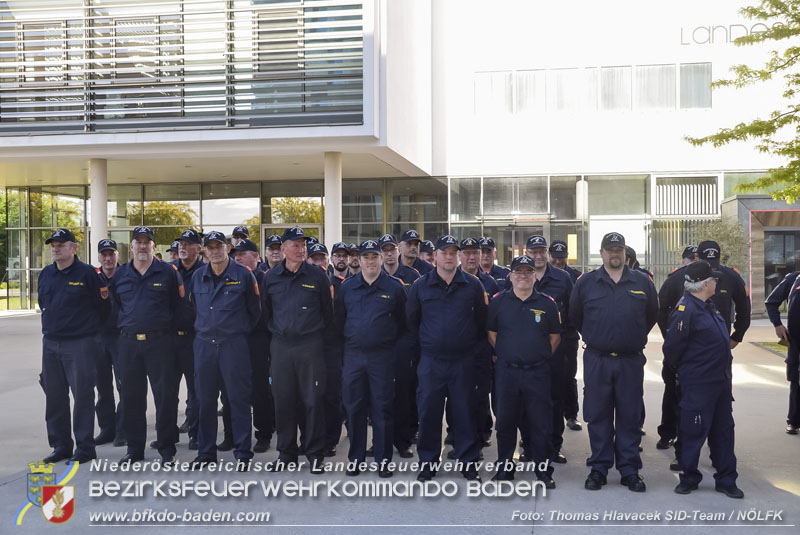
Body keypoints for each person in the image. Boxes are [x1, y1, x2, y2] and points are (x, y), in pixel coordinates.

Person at [569, 232, 657, 492]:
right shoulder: (586, 283)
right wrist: (599, 338)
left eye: (619, 249)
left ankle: (630, 470)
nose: (615, 254)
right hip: (598, 360)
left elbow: (651, 315)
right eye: (610, 250)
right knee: (598, 415)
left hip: (630, 361)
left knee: (629, 416)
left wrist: (632, 337)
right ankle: (599, 468)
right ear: (602, 253)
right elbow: (576, 317)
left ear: (625, 253)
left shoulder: (643, 282)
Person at [657, 239, 751, 470]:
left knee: (719, 410)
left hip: (717, 358)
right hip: (688, 360)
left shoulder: (729, 277)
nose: (713, 274)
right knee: (681, 403)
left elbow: (744, 306)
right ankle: (678, 447)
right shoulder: (680, 277)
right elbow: (660, 309)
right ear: (697, 258)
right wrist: (671, 337)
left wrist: (736, 336)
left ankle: (717, 455)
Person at [406, 234, 488, 482]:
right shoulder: (420, 286)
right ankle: (428, 462)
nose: (450, 257)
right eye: (445, 252)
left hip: (463, 361)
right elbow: (412, 324)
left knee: (464, 413)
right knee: (428, 413)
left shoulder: (473, 285)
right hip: (431, 362)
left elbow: (481, 323)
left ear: (459, 256)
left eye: (454, 253)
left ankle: (468, 461)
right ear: (435, 257)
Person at [111, 225, 186, 464]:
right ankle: (134, 450)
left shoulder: (168, 272)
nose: (143, 246)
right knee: (132, 399)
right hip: (129, 344)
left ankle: (166, 450)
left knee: (165, 398)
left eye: (147, 242)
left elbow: (179, 307)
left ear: (154, 246)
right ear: (131, 246)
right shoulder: (121, 274)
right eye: (138, 242)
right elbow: (114, 308)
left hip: (160, 343)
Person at [261, 226, 334, 474]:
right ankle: (286, 453)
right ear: (283, 249)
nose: (301, 249)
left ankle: (314, 454)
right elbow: (266, 313)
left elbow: (328, 313)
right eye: (295, 244)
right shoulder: (270, 277)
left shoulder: (317, 276)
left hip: (310, 347)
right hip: (281, 347)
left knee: (313, 400)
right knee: (283, 401)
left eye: (303, 244)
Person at [188, 231, 260, 469]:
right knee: (205, 401)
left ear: (228, 248)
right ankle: (206, 452)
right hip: (204, 346)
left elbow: (255, 312)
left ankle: (242, 453)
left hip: (233, 345)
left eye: (219, 246)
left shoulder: (244, 276)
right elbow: (192, 310)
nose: (215, 251)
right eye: (210, 247)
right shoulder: (198, 277)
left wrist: (235, 332)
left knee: (238, 401)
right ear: (204, 251)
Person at [335, 239, 406, 477]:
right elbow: (338, 322)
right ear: (360, 261)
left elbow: (403, 325)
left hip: (382, 358)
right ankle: (355, 458)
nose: (371, 261)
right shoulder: (347, 287)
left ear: (381, 258)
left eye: (375, 256)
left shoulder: (395, 287)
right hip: (353, 356)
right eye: (366, 257)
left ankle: (383, 460)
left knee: (382, 409)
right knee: (354, 409)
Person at [38, 228, 110, 463]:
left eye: (60, 244)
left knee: (82, 397)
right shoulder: (46, 274)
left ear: (73, 247)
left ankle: (85, 448)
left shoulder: (88, 274)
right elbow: (44, 303)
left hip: (80, 344)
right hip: (51, 343)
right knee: (55, 397)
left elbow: (104, 308)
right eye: (53, 245)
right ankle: (60, 446)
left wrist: (92, 337)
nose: (55, 248)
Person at [488, 255, 560, 488]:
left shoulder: (547, 303)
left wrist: (535, 356)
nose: (523, 276)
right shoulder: (499, 301)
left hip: (537, 374)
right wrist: (509, 353)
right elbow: (492, 334)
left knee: (540, 424)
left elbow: (555, 337)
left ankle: (543, 471)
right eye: (518, 272)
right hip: (507, 373)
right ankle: (505, 468)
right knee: (505, 423)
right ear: (510, 276)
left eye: (528, 272)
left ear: (535, 275)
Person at [522, 235, 574, 464]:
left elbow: (574, 312)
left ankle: (554, 447)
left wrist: (566, 340)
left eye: (542, 251)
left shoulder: (563, 279)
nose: (538, 256)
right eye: (533, 252)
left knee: (554, 400)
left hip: (555, 351)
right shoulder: (518, 276)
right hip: (527, 351)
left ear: (548, 253)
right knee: (528, 401)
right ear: (527, 253)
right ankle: (529, 447)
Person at [230, 238, 275, 453]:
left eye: (243, 253)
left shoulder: (265, 279)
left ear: (256, 257)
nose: (237, 257)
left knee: (259, 390)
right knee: (231, 389)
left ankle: (263, 434)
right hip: (234, 340)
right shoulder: (229, 277)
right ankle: (232, 435)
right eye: (235, 253)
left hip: (257, 339)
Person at [655, 246, 700, 454]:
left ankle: (688, 437)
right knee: (672, 391)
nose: (693, 260)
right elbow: (660, 310)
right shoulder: (675, 280)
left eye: (696, 257)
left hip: (699, 352)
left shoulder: (709, 280)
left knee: (689, 395)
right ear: (683, 260)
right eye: (691, 258)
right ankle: (667, 434)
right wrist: (670, 336)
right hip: (676, 349)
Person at [453, 237, 498, 451]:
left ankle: (481, 435)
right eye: (467, 253)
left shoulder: (491, 283)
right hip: (458, 349)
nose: (472, 257)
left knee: (480, 395)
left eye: (475, 253)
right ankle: (456, 433)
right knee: (457, 396)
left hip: (481, 348)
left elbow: (496, 320)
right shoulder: (451, 279)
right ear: (460, 255)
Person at [379, 233, 420, 457]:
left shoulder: (413, 276)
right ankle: (379, 440)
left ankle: (403, 441)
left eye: (391, 249)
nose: (388, 254)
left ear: (398, 251)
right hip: (381, 345)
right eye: (383, 250)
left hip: (404, 343)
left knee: (404, 394)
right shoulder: (374, 275)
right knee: (380, 396)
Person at [308, 241, 345, 457]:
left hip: (333, 348)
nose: (319, 262)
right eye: (315, 258)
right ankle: (312, 438)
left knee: (332, 396)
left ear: (328, 260)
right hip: (309, 348)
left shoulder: (340, 284)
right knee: (310, 397)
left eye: (322, 258)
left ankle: (330, 439)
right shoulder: (302, 282)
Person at [170, 228, 205, 452]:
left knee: (196, 390)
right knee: (167, 390)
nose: (182, 247)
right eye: (181, 243)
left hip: (195, 339)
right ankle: (168, 435)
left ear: (198, 249)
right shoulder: (168, 271)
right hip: (170, 339)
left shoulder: (206, 271)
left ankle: (195, 434)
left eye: (188, 243)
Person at [547, 239, 582, 431]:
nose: (559, 262)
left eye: (562, 258)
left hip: (567, 335)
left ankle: (571, 415)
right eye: (556, 257)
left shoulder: (575, 276)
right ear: (550, 255)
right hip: (546, 338)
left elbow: (576, 308)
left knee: (568, 376)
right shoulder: (541, 275)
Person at [94, 239, 125, 448]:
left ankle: (123, 431)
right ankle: (107, 429)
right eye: (104, 254)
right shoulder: (92, 278)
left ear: (117, 256)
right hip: (99, 339)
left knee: (125, 386)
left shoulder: (127, 276)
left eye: (111, 254)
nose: (108, 258)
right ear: (99, 257)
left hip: (122, 338)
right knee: (103, 387)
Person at [764, 270, 800, 435]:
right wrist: (777, 324)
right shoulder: (793, 279)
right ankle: (794, 421)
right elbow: (771, 302)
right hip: (796, 342)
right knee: (795, 379)